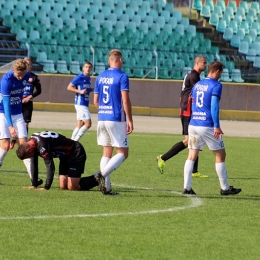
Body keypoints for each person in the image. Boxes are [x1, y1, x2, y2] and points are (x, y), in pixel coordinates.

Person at [182, 61, 242, 195]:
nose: (220, 75)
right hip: (207, 125)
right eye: (220, 73)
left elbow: (192, 104)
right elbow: (214, 106)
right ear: (217, 71)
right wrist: (217, 126)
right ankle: (225, 188)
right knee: (221, 154)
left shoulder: (197, 85)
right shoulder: (216, 85)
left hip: (194, 124)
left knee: (191, 155)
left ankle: (187, 187)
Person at [157, 56, 208, 177]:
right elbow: (198, 92)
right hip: (188, 111)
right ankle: (162, 158)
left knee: (194, 140)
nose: (206, 65)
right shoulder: (194, 76)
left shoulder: (193, 75)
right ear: (197, 63)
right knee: (190, 141)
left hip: (187, 110)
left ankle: (194, 171)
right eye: (204, 63)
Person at [93, 49, 134, 195]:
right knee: (123, 152)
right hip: (116, 118)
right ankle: (101, 175)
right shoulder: (122, 76)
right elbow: (125, 100)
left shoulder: (100, 76)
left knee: (107, 152)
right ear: (120, 60)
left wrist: (104, 111)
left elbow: (95, 101)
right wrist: (129, 119)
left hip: (102, 118)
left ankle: (107, 187)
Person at [16, 130, 102, 191]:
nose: (30, 157)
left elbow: (50, 166)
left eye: (28, 156)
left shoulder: (42, 145)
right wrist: (34, 184)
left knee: (72, 187)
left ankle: (97, 178)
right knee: (63, 186)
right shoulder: (32, 142)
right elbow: (34, 163)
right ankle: (94, 178)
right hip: (64, 156)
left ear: (29, 149)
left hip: (75, 152)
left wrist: (46, 187)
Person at [0, 59, 41, 185]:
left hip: (18, 113)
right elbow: (6, 105)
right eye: (18, 75)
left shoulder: (27, 75)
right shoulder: (6, 81)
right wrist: (10, 127)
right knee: (5, 145)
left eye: (22, 75)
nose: (20, 77)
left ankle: (33, 179)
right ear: (13, 70)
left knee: (25, 147)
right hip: (3, 113)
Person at [9, 57, 42, 149]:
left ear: (31, 65)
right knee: (14, 121)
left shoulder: (34, 77)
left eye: (29, 64)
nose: (27, 65)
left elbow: (39, 90)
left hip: (27, 103)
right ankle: (13, 139)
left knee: (25, 123)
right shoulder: (17, 76)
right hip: (17, 102)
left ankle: (25, 141)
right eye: (26, 63)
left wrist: (29, 97)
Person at [67, 61, 93, 142]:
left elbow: (87, 89)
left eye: (89, 67)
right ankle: (75, 142)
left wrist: (93, 89)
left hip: (84, 103)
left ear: (91, 68)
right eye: (86, 67)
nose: (88, 69)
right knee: (88, 124)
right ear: (83, 68)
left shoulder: (88, 78)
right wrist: (80, 91)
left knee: (80, 124)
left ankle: (71, 142)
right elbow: (69, 87)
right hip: (80, 103)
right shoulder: (79, 77)